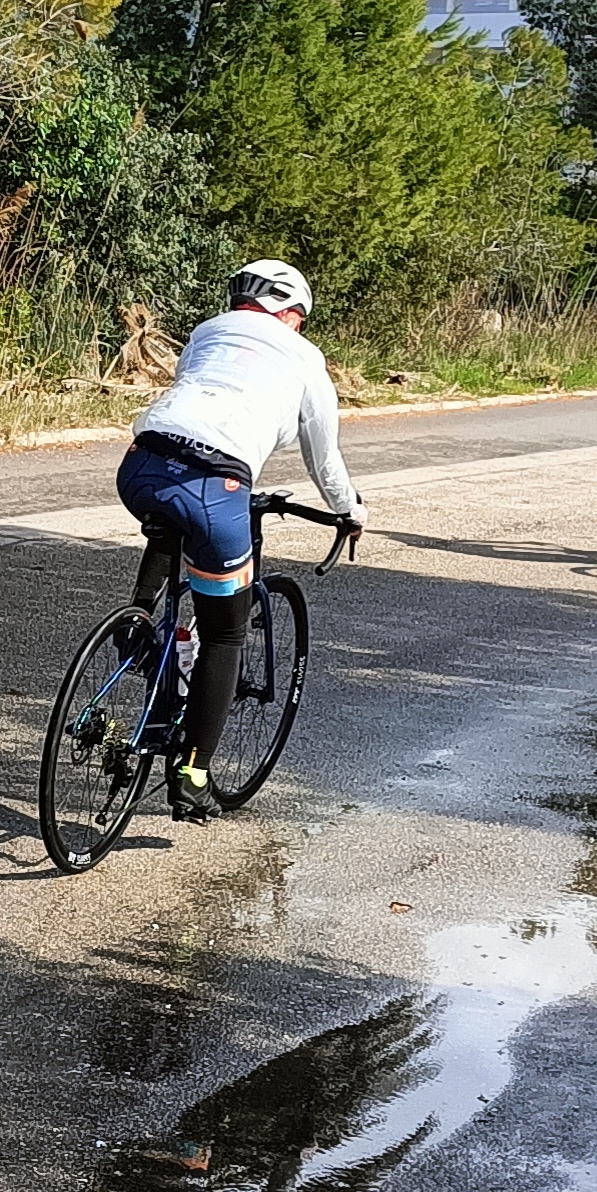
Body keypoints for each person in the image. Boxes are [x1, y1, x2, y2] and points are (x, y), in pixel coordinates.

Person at [116, 259, 365, 821]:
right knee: (226, 634)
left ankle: (138, 623)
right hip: (218, 484)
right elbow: (323, 457)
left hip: (140, 464)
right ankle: (193, 776)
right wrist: (349, 511)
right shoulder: (305, 357)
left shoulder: (208, 330)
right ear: (292, 313)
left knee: (171, 518)